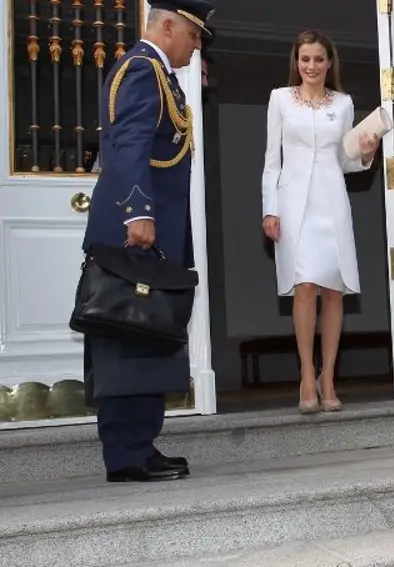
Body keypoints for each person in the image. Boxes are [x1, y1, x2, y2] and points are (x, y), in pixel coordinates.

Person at [81, 0, 215, 483]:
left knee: (149, 335)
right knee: (127, 339)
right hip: (133, 233)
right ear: (168, 25)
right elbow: (130, 141)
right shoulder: (141, 69)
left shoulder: (161, 75)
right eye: (194, 35)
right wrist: (138, 211)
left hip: (152, 235)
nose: (197, 46)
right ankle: (126, 452)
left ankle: (140, 443)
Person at [260, 30, 380, 413]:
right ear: (297, 62)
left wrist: (366, 153)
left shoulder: (343, 103)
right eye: (305, 59)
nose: (311, 66)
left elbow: (346, 162)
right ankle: (306, 374)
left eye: (318, 59)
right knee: (305, 285)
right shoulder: (279, 99)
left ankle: (329, 376)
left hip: (332, 201)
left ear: (330, 63)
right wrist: (270, 208)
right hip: (293, 203)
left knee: (334, 290)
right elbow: (271, 161)